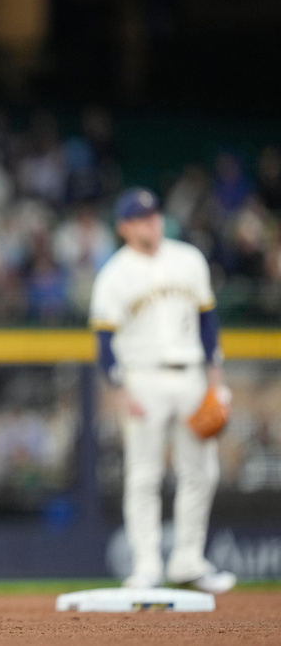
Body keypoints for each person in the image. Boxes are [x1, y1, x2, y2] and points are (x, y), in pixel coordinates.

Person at [89, 187, 236, 594]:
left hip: (191, 373)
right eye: (139, 217)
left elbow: (208, 323)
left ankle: (188, 560)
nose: (149, 222)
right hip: (142, 378)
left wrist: (215, 381)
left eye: (152, 215)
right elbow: (103, 343)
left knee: (201, 471)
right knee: (144, 475)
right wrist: (119, 392)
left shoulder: (188, 260)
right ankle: (147, 566)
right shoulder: (114, 274)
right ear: (123, 226)